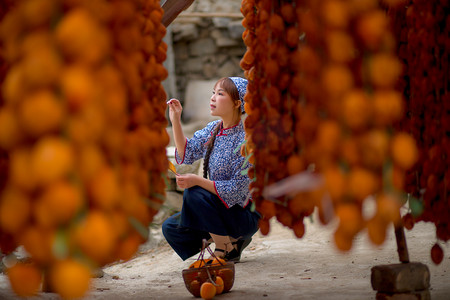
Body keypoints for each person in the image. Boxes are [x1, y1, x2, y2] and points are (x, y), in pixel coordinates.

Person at [162, 77, 260, 262]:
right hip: (220, 210)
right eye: (213, 93)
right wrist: (175, 119)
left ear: (237, 103)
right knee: (171, 227)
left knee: (194, 193)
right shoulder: (213, 129)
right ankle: (232, 241)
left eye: (220, 94)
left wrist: (197, 181)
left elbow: (235, 191)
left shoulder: (246, 140)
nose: (213, 98)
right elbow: (187, 154)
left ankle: (225, 248)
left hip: (243, 213)